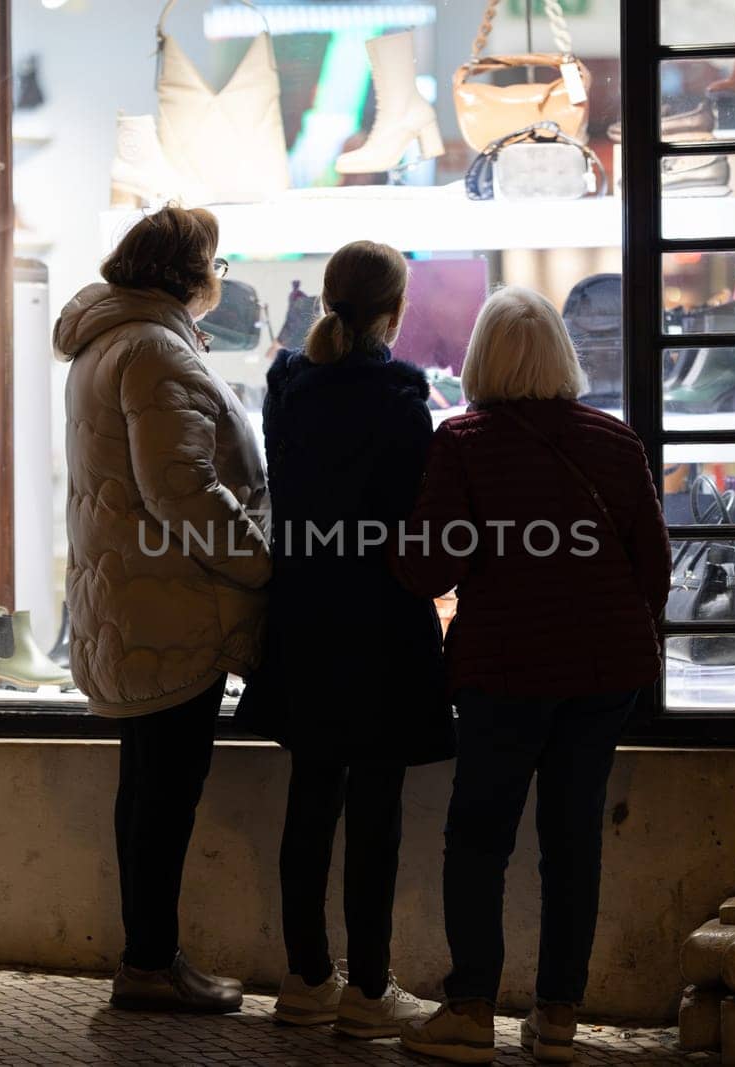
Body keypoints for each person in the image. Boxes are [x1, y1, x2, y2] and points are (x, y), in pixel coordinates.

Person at [393, 287, 670, 1063]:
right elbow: (655, 566)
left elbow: (428, 566)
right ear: (561, 353)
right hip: (604, 671)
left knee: (479, 836)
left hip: (505, 671)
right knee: (573, 839)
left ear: (483, 357)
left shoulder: (466, 439)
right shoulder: (615, 441)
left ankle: (472, 1008)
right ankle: (557, 1019)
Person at [53, 206, 270, 1014]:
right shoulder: (153, 349)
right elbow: (183, 488)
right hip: (172, 606)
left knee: (147, 787)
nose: (220, 273)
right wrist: (262, 563)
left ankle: (148, 955)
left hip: (134, 598)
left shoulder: (109, 341)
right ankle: (150, 961)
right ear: (189, 273)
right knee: (164, 793)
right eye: (213, 259)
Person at [235, 241, 453, 1037]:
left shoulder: (287, 388)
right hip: (381, 619)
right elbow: (412, 510)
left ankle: (304, 976)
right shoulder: (399, 396)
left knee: (310, 798)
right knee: (376, 810)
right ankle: (369, 991)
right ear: (394, 310)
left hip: (304, 616)